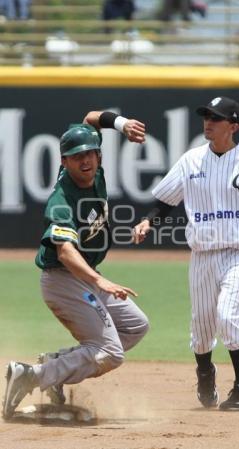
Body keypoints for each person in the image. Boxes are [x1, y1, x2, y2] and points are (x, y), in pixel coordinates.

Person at [133, 96, 239, 411]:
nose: (209, 122)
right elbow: (165, 202)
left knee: (228, 317)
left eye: (216, 118)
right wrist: (147, 221)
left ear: (233, 126)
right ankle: (205, 373)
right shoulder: (191, 161)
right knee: (202, 329)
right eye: (207, 116)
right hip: (203, 255)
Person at [3, 110, 149, 420]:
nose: (85, 160)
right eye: (75, 156)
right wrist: (100, 282)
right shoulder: (61, 200)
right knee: (110, 352)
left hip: (83, 278)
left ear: (98, 154)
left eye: (89, 153)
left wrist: (121, 125)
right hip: (63, 280)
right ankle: (29, 375)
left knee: (136, 326)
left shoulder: (94, 172)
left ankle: (53, 365)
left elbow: (90, 119)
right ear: (63, 163)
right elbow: (67, 253)